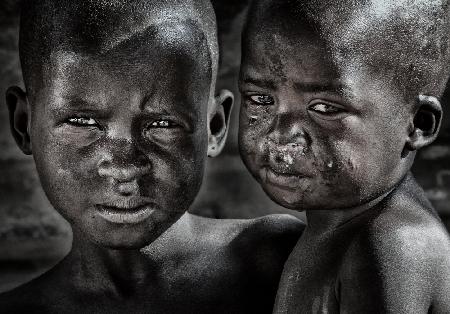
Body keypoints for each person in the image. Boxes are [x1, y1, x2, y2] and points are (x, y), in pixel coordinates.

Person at [0, 0, 305, 313]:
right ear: (24, 124)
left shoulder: (278, 262)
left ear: (214, 126)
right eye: (81, 122)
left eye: (162, 124)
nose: (123, 168)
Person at [238, 0, 450, 312]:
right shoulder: (338, 227)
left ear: (417, 123)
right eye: (260, 99)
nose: (280, 136)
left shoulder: (390, 246)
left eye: (325, 108)